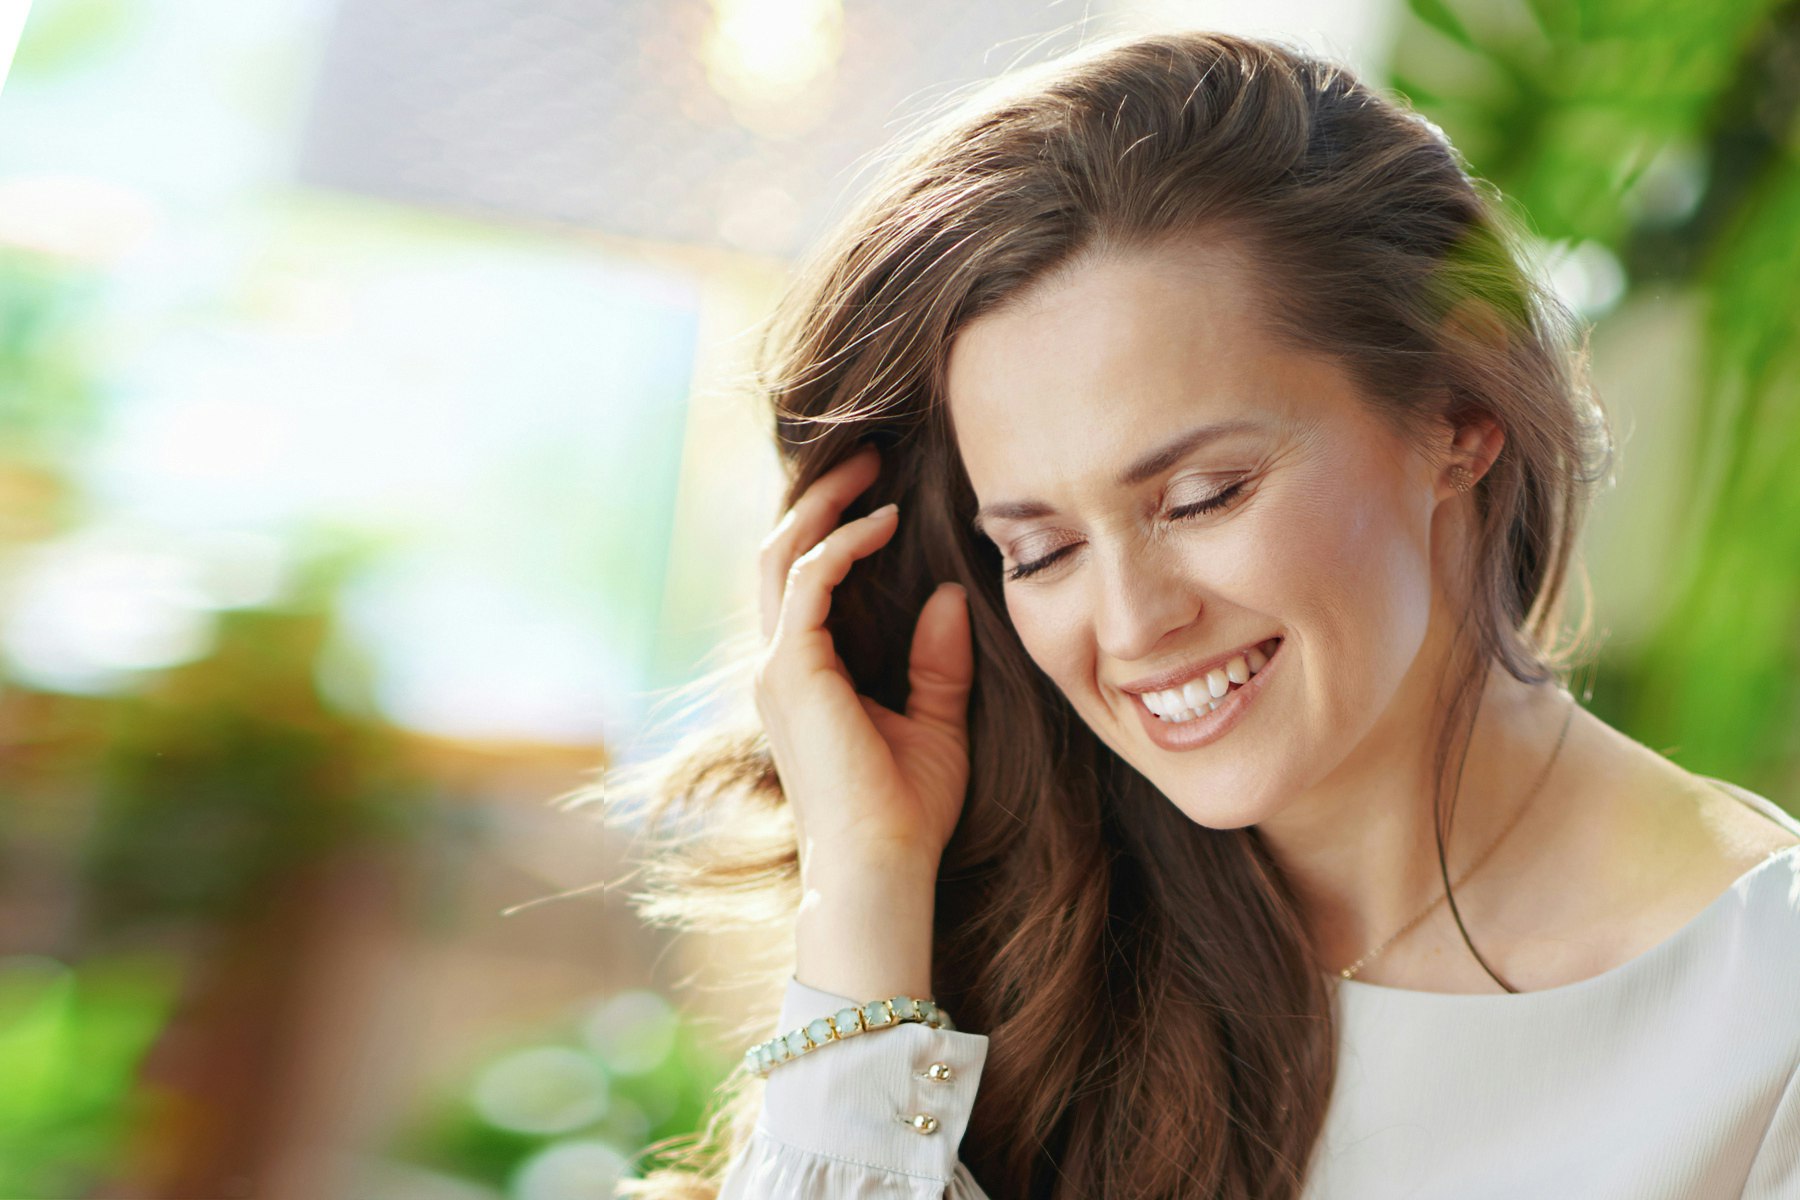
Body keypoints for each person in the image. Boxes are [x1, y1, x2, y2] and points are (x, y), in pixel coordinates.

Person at [604, 29, 1800, 1199]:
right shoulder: (1030, 954)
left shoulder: (1765, 1013)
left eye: (1201, 497)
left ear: (1456, 415)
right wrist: (865, 878)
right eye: (1041, 550)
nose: (1131, 627)